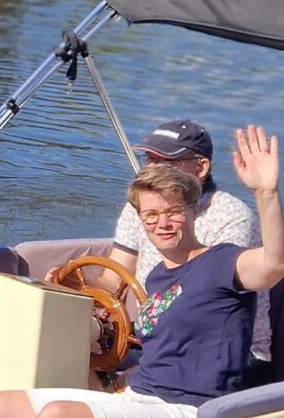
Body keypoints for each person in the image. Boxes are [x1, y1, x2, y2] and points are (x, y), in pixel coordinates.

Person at [0, 127, 284, 418]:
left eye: (173, 212)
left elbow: (276, 263)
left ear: (194, 210)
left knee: (61, 416)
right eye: (151, 215)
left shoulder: (222, 263)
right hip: (139, 393)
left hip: (188, 410)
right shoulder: (157, 275)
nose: (162, 223)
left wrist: (267, 194)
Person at [108, 118, 269, 367]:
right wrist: (71, 288)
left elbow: (208, 306)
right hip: (150, 337)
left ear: (201, 168)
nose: (151, 169)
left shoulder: (233, 217)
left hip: (221, 353)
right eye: (149, 159)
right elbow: (112, 278)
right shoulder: (140, 207)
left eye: (164, 161)